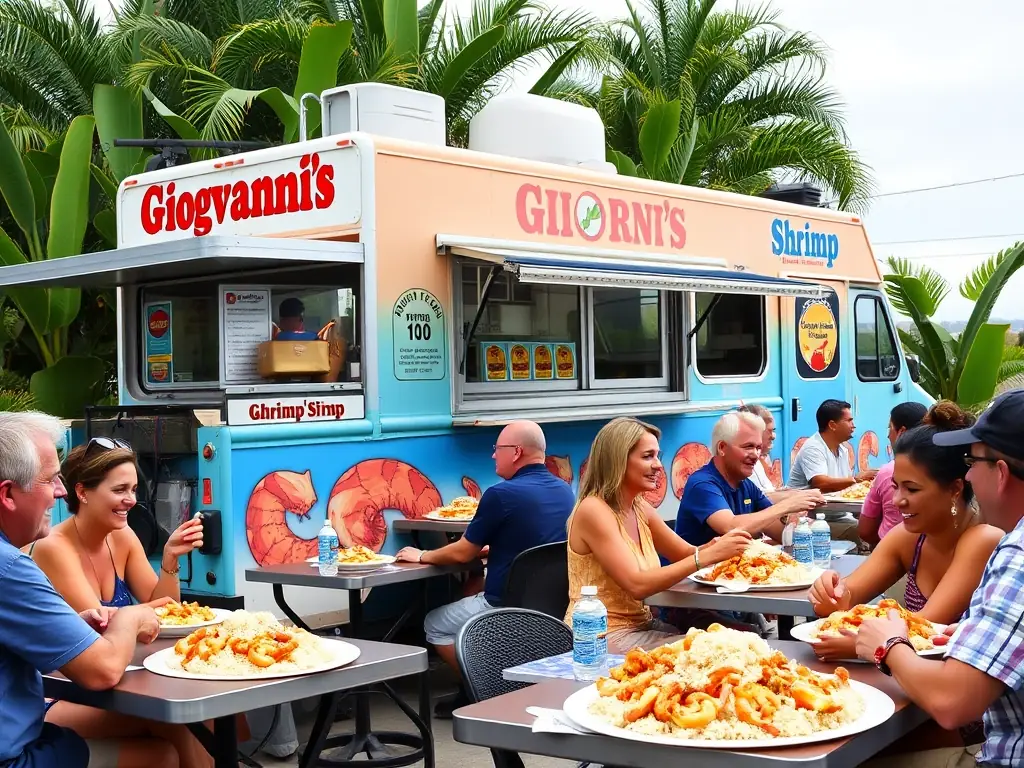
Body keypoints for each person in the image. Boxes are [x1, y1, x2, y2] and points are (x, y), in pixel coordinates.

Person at [849, 389, 1024, 768]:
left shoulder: (1017, 554)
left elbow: (952, 704)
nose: (969, 472)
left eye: (972, 461)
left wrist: (888, 645)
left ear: (1002, 474)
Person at [0, 411, 173, 768]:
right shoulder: (12, 568)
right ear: (8, 494)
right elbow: (104, 670)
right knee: (164, 754)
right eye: (50, 480)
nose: (60, 492)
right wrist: (129, 616)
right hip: (15, 754)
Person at [30, 438, 213, 767]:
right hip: (59, 696)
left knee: (207, 715)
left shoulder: (123, 536)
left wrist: (170, 558)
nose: (131, 500)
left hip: (114, 683)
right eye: (120, 490)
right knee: (180, 723)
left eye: (133, 490)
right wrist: (141, 616)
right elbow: (104, 629)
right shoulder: (53, 548)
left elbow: (168, 611)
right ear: (83, 492)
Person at [395, 420, 574, 716]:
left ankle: (481, 687)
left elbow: (464, 551)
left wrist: (423, 554)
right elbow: (538, 540)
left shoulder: (500, 495)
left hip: (503, 603)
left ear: (516, 452)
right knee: (471, 588)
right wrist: (495, 547)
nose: (493, 456)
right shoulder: (563, 491)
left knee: (434, 624)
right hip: (551, 604)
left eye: (497, 449)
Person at [807, 401, 1001, 663]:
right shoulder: (908, 537)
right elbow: (848, 595)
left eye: (912, 489)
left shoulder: (983, 537)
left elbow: (926, 626)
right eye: (896, 486)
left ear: (955, 489)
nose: (898, 500)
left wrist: (860, 647)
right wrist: (830, 592)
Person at [566, 417, 753, 654]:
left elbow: (685, 553)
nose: (658, 465)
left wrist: (718, 546)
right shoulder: (593, 510)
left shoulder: (639, 506)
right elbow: (636, 584)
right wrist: (705, 557)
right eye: (647, 456)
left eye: (657, 455)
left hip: (643, 626)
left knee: (742, 636)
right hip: (600, 637)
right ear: (617, 461)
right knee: (716, 650)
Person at [675, 412, 824, 547]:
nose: (755, 455)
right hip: (693, 575)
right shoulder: (702, 484)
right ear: (722, 448)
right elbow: (730, 527)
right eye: (748, 447)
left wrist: (798, 521)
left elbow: (779, 532)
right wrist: (787, 505)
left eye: (758, 447)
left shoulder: (746, 485)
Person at [858, 402, 929, 548]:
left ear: (901, 432)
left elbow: (865, 531)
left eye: (889, 428)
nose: (898, 500)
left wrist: (883, 549)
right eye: (896, 487)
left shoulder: (888, 471)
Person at [789, 399, 878, 491]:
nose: (853, 425)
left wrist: (862, 478)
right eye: (849, 421)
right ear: (832, 425)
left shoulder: (842, 450)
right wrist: (856, 480)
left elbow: (843, 483)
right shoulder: (813, 448)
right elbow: (820, 482)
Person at [737, 404, 805, 503]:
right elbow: (758, 500)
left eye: (774, 431)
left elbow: (764, 493)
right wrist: (797, 496)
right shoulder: (743, 462)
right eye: (769, 431)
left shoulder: (756, 461)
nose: (773, 436)